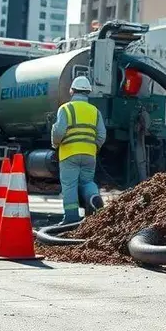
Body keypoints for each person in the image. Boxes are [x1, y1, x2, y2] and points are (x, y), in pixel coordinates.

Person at [51, 76, 107, 225]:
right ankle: (94, 196)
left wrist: (55, 145)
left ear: (72, 91)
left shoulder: (66, 109)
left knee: (70, 185)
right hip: (89, 154)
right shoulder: (95, 111)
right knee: (87, 182)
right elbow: (102, 135)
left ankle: (71, 217)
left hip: (69, 154)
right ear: (88, 92)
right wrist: (93, 147)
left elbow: (59, 132)